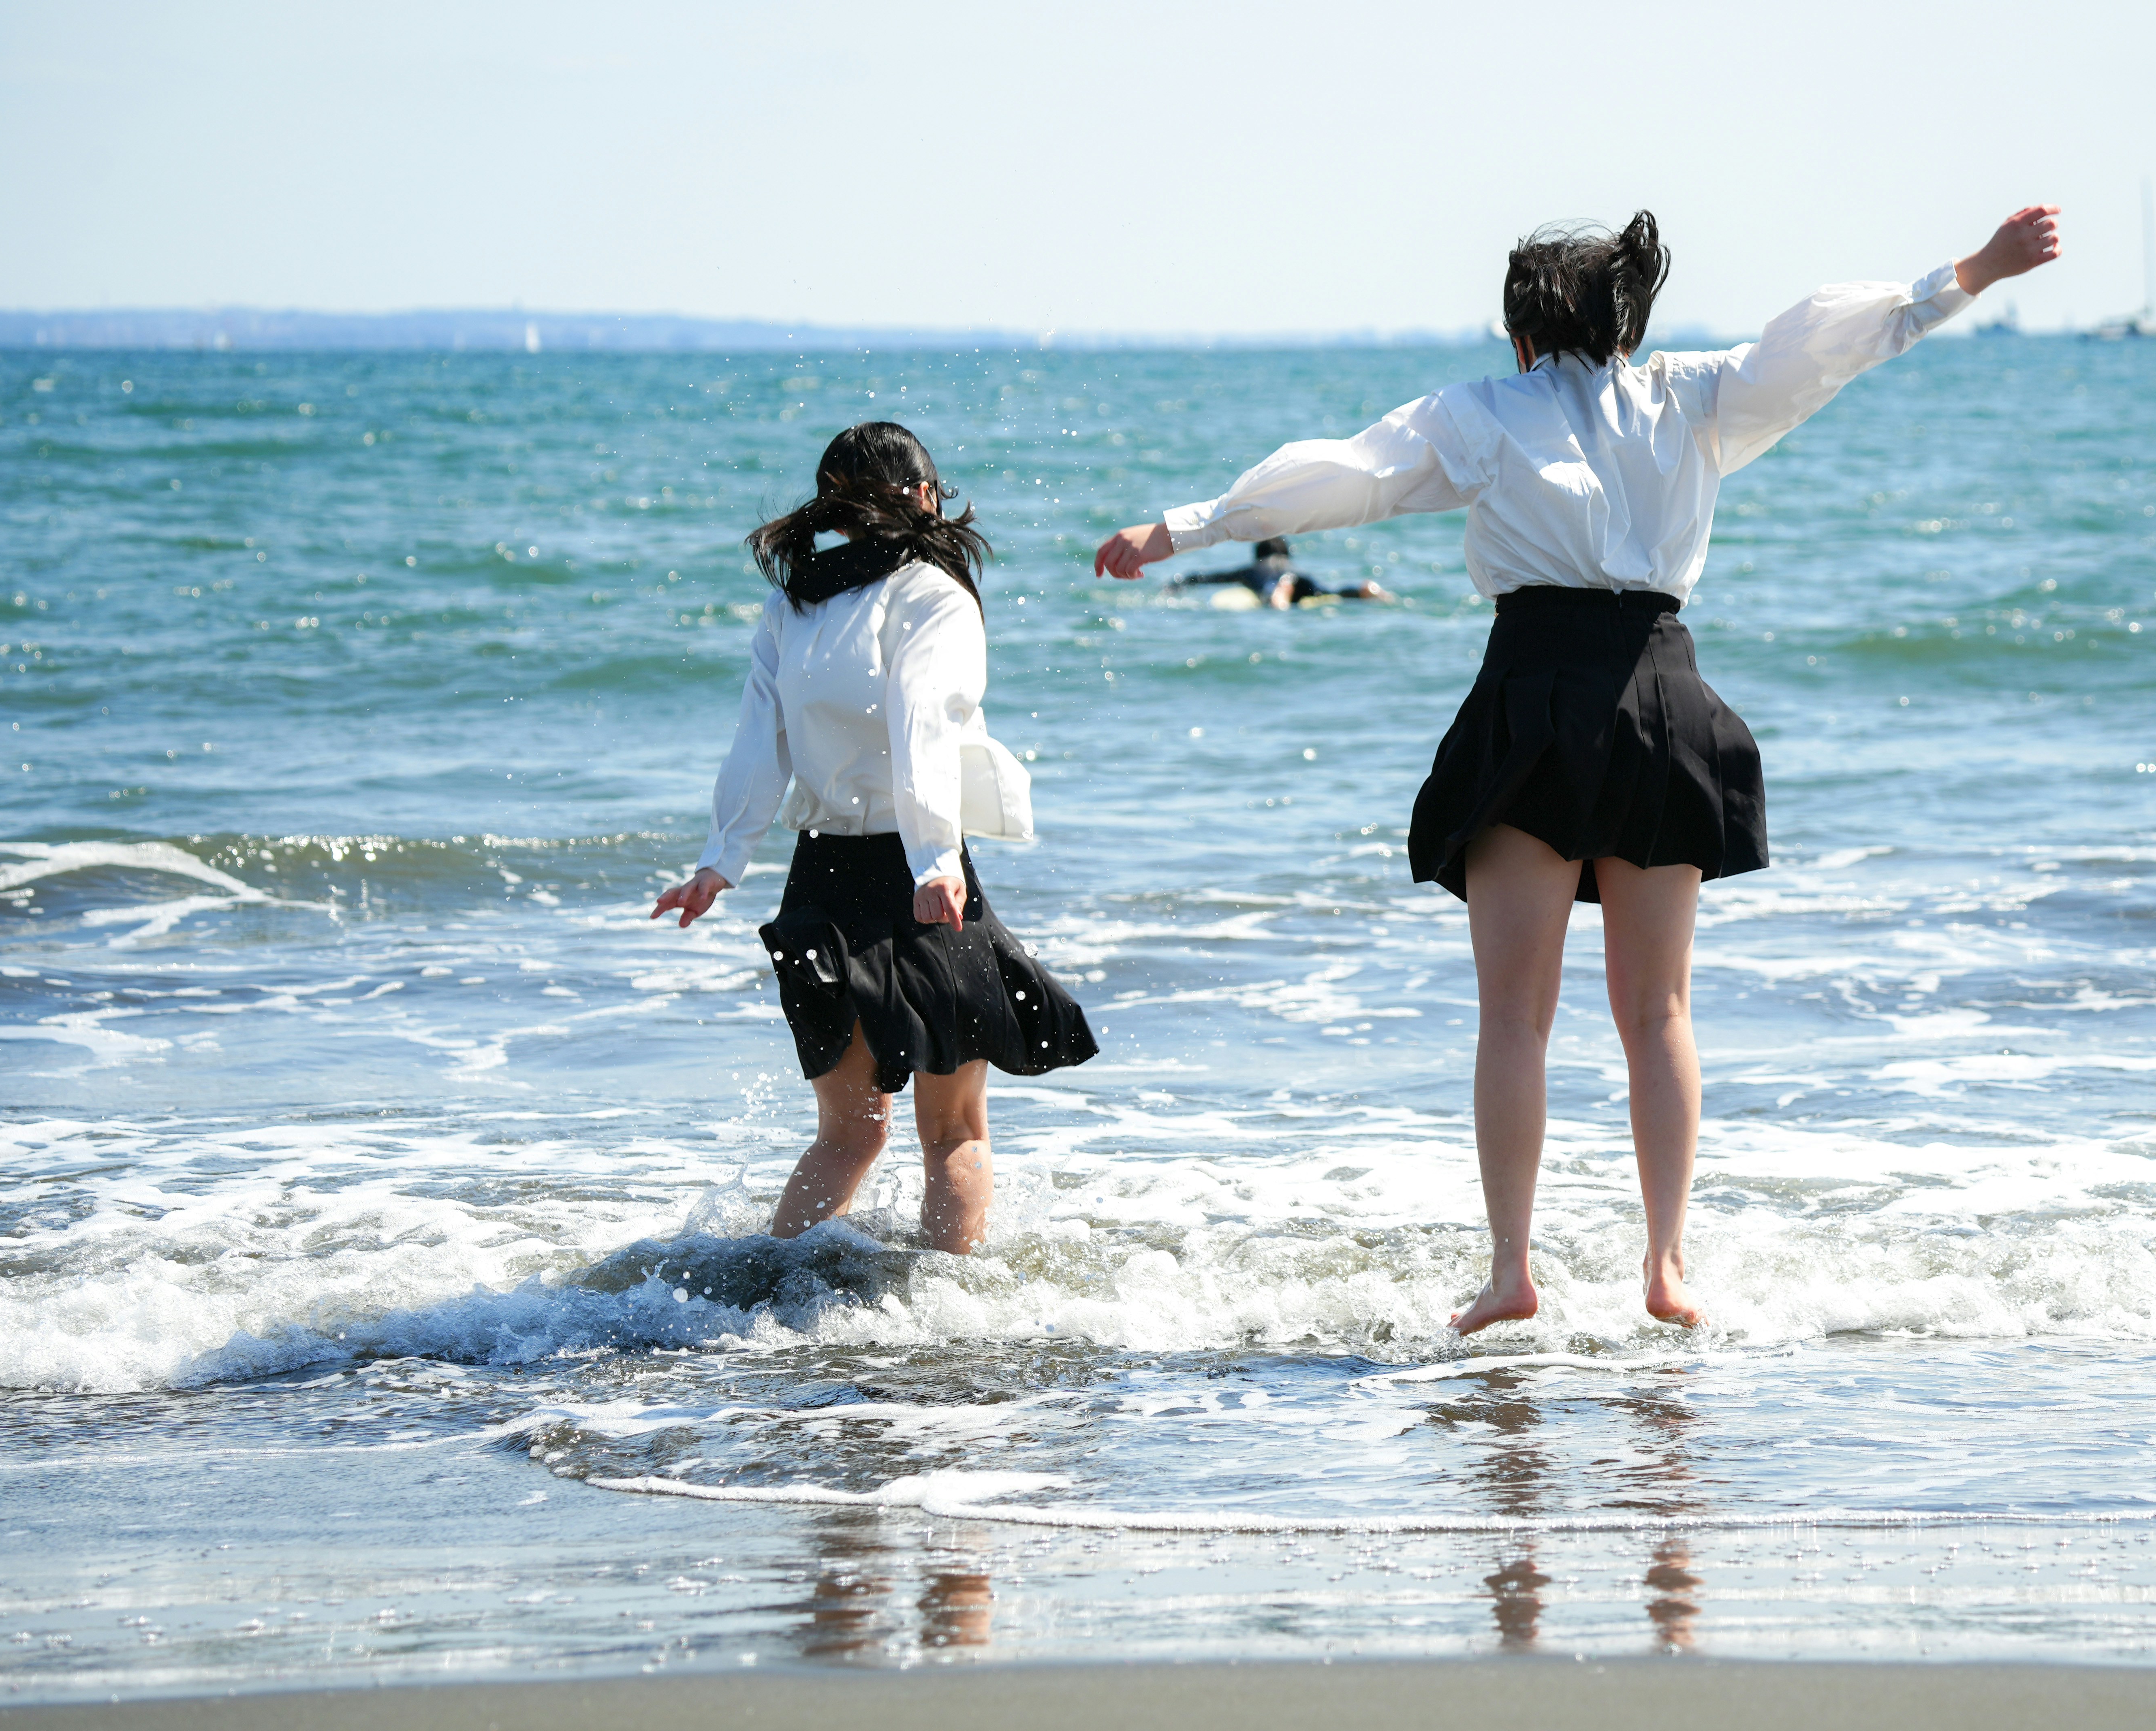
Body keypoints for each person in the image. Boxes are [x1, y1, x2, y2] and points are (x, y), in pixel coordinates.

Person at [1095, 205, 2063, 1332]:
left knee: (1516, 1017)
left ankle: (1513, 1274)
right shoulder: (1691, 396)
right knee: (1658, 1013)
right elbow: (1821, 351)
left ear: (1520, 333)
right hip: (1661, 693)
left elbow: (1347, 478)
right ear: (1627, 323)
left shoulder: (1486, 413)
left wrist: (1190, 527)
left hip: (1535, 696)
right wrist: (1968, 277)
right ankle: (1667, 1268)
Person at [654, 422, 1097, 1251]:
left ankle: (769, 1302)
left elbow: (760, 742)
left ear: (833, 508)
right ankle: (941, 1336)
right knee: (954, 1131)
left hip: (818, 875)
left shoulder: (792, 605)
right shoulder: (935, 593)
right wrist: (935, 859)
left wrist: (720, 863)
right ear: (926, 495)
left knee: (849, 1133)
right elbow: (923, 718)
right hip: (914, 871)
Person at [1171, 536, 1393, 608]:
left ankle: (1282, 594)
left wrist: (1180, 583)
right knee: (1328, 592)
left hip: (1277, 584)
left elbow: (1208, 578)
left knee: (1272, 595)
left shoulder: (1251, 570)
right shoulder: (1293, 566)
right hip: (1302, 579)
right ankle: (1364, 590)